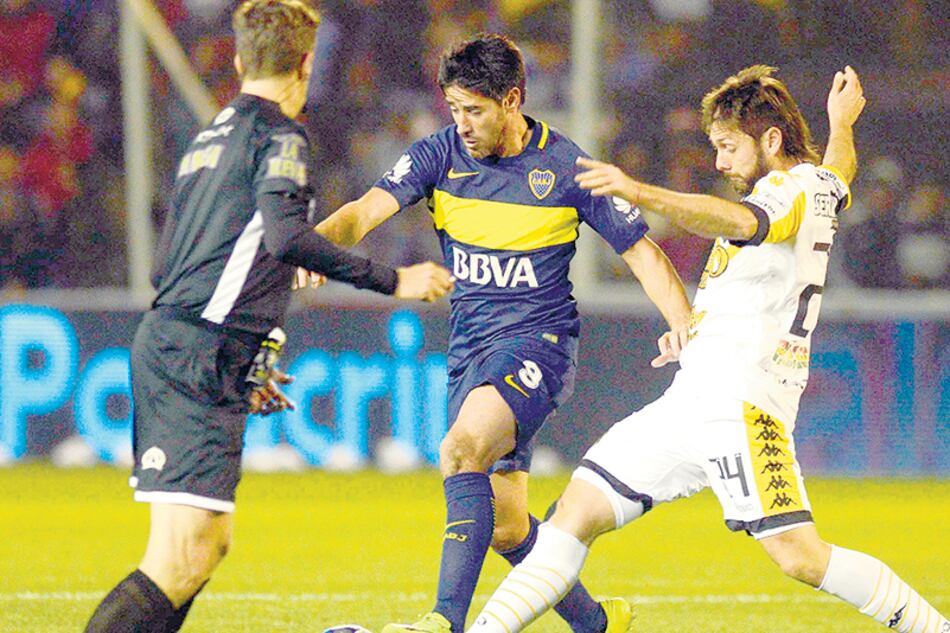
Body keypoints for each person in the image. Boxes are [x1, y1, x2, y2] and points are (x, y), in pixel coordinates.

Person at [467, 66, 950, 633]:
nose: (720, 162)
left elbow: (742, 221)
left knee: (800, 556)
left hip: (742, 407)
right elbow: (840, 167)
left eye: (727, 147)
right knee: (574, 513)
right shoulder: (819, 184)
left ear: (770, 140)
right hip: (692, 399)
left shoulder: (785, 192)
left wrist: (641, 191)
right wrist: (840, 123)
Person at [82, 2, 452, 631]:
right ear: (307, 64)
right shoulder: (281, 135)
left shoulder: (210, 135)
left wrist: (248, 348)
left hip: (191, 347)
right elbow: (286, 238)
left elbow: (173, 264)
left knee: (201, 550)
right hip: (195, 355)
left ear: (236, 59)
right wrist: (394, 280)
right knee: (180, 557)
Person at [313, 33, 691, 633]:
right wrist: (314, 249)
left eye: (475, 110)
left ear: (513, 100)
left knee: (461, 450)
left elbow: (644, 254)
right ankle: (597, 624)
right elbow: (363, 212)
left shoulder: (566, 167)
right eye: (454, 108)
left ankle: (441, 622)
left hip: (538, 344)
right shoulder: (439, 154)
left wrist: (683, 328)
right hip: (470, 349)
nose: (462, 124)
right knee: (509, 527)